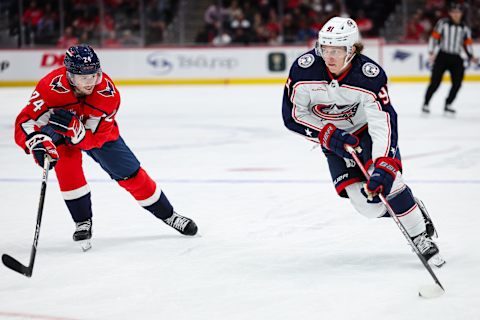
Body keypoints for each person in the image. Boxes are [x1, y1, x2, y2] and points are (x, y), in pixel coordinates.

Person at [282, 17, 445, 267]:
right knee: (366, 207)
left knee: (389, 184)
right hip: (331, 138)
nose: (329, 56)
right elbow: (293, 115)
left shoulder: (369, 76)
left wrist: (382, 164)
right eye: (325, 49)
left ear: (352, 50)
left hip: (366, 132)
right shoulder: (304, 70)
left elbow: (383, 122)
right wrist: (326, 134)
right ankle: (410, 209)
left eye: (336, 50)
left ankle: (419, 235)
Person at [14, 44, 198, 251]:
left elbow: (97, 138)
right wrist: (36, 142)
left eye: (94, 75)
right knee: (68, 169)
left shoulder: (108, 94)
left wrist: (79, 133)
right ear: (70, 76)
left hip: (99, 134)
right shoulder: (50, 87)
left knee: (130, 173)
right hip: (59, 132)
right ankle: (82, 221)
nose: (90, 82)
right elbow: (25, 121)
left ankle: (169, 215)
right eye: (83, 77)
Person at [422, 2, 478, 114]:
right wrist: (431, 52)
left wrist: (471, 56)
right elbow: (434, 38)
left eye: (458, 12)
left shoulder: (465, 27)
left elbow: (468, 43)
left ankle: (448, 104)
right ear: (450, 13)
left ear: (461, 13)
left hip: (456, 57)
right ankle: (426, 104)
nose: (456, 14)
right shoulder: (443, 23)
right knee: (435, 83)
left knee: (457, 83)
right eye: (454, 12)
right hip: (442, 56)